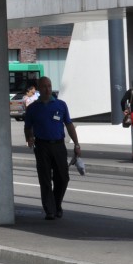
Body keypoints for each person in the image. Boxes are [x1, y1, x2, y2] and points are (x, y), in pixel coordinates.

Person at [23, 76, 81, 220]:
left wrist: (76, 144)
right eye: (44, 86)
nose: (47, 89)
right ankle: (50, 210)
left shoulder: (61, 105)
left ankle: (56, 204)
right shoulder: (33, 108)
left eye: (49, 86)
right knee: (45, 179)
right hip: (42, 146)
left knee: (63, 177)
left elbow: (69, 125)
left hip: (59, 145)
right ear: (38, 88)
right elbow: (27, 127)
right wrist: (29, 138)